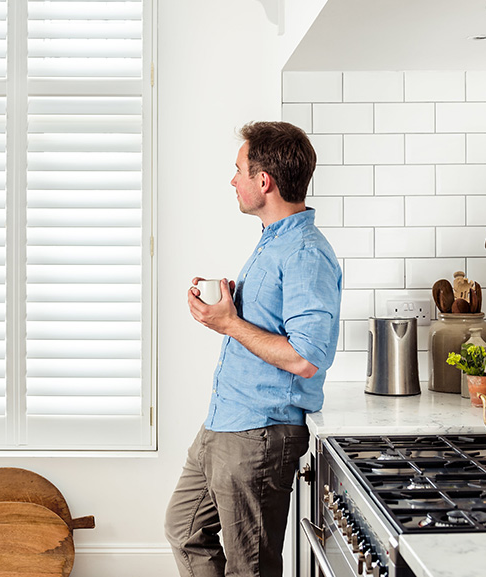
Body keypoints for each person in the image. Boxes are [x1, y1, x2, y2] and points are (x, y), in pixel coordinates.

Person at [165, 121, 342, 577]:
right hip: (225, 422)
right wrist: (228, 308)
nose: (233, 180)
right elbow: (263, 328)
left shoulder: (305, 251)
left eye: (239, 170)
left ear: (264, 181)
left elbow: (306, 357)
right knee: (183, 529)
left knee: (251, 568)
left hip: (259, 435)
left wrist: (230, 322)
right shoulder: (273, 243)